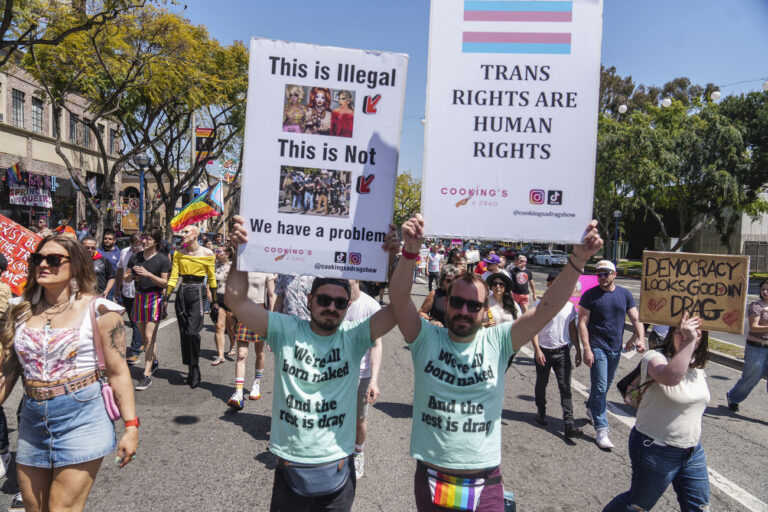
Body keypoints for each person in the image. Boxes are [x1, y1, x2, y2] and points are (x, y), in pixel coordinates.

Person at [388, 213, 602, 511]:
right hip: (431, 477)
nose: (464, 310)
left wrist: (578, 259)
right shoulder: (425, 338)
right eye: (458, 302)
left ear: (484, 309)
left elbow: (547, 309)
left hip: (485, 481)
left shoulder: (499, 340)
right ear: (446, 303)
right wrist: (410, 251)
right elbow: (399, 299)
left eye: (474, 305)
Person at [225, 215, 398, 510]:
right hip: (290, 469)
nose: (331, 307)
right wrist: (240, 253)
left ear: (347, 307)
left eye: (340, 303)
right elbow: (236, 301)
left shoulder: (355, 337)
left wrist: (396, 256)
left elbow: (399, 308)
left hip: (340, 472)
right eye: (324, 300)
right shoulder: (285, 329)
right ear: (309, 299)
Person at [0, 234, 138, 512]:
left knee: (62, 507)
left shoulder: (100, 310)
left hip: (82, 415)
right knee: (33, 507)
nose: (43, 265)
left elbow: (118, 372)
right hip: (32, 419)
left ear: (75, 266)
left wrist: (131, 427)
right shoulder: (18, 312)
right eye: (37, 259)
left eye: (53, 260)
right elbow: (7, 372)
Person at [603, 314, 710, 512]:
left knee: (699, 508)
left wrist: (690, 340)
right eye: (680, 332)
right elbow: (670, 377)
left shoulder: (696, 364)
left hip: (692, 451)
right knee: (636, 505)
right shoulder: (654, 357)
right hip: (655, 448)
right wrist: (690, 340)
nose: (686, 337)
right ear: (671, 333)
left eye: (696, 334)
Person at [578, 259, 645, 450]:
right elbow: (582, 322)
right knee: (600, 387)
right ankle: (602, 429)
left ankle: (591, 407)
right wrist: (586, 348)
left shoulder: (624, 294)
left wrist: (640, 337)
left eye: (605, 273)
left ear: (614, 275)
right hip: (597, 346)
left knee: (604, 386)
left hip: (615, 348)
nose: (602, 277)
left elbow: (635, 318)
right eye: (599, 274)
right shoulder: (590, 295)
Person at [530, 271, 583, 438]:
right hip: (544, 352)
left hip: (562, 352)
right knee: (542, 383)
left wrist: (579, 350)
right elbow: (534, 329)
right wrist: (537, 350)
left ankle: (569, 424)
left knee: (565, 387)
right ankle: (541, 410)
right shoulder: (539, 304)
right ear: (548, 285)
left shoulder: (569, 307)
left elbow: (572, 330)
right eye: (552, 282)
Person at [165, 225, 217, 388]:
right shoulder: (179, 253)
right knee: (184, 333)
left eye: (186, 232)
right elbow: (174, 277)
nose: (183, 234)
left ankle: (195, 366)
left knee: (192, 332)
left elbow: (212, 278)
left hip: (198, 293)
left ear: (196, 235)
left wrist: (214, 301)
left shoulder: (208, 254)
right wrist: (166, 297)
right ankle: (189, 366)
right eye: (183, 232)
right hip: (182, 292)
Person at [124, 228, 172, 391]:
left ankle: (146, 374)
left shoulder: (163, 260)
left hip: (154, 298)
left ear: (156, 242)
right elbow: (126, 276)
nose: (144, 241)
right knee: (144, 336)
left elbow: (165, 283)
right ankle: (154, 361)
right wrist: (132, 276)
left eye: (148, 238)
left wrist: (148, 274)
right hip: (138, 297)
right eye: (144, 238)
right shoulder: (135, 257)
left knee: (150, 336)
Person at [345, 280, 382, 480]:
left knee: (359, 419)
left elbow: (376, 344)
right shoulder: (335, 300)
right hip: (336, 374)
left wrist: (374, 380)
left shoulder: (371, 306)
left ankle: (358, 453)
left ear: (357, 278)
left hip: (362, 373)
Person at [227, 272, 276, 410]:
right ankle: (238, 392)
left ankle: (256, 384)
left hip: (260, 312)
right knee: (241, 354)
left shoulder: (266, 271)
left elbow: (272, 295)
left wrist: (272, 317)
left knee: (259, 352)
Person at [726, 278, 768, 412]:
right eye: (763, 289)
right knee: (751, 379)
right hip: (757, 348)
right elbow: (754, 327)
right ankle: (733, 397)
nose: (765, 292)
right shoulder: (756, 306)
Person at [115, 234, 145, 365]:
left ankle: (134, 351)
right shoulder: (124, 252)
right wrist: (118, 288)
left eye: (137, 247)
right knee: (133, 322)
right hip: (127, 291)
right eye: (132, 247)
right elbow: (120, 270)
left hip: (140, 291)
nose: (134, 250)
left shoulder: (146, 254)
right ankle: (142, 342)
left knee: (137, 321)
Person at [212, 246, 236, 364]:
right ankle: (220, 356)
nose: (216, 253)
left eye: (219, 251)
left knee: (231, 327)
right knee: (219, 326)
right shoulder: (214, 265)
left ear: (227, 254)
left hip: (230, 299)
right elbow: (209, 282)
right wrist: (211, 298)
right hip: (217, 298)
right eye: (216, 251)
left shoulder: (233, 266)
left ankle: (232, 344)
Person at [99, 230, 121, 300]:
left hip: (112, 286)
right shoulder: (97, 251)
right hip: (99, 284)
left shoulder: (119, 253)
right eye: (105, 239)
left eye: (110, 239)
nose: (107, 240)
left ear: (114, 241)